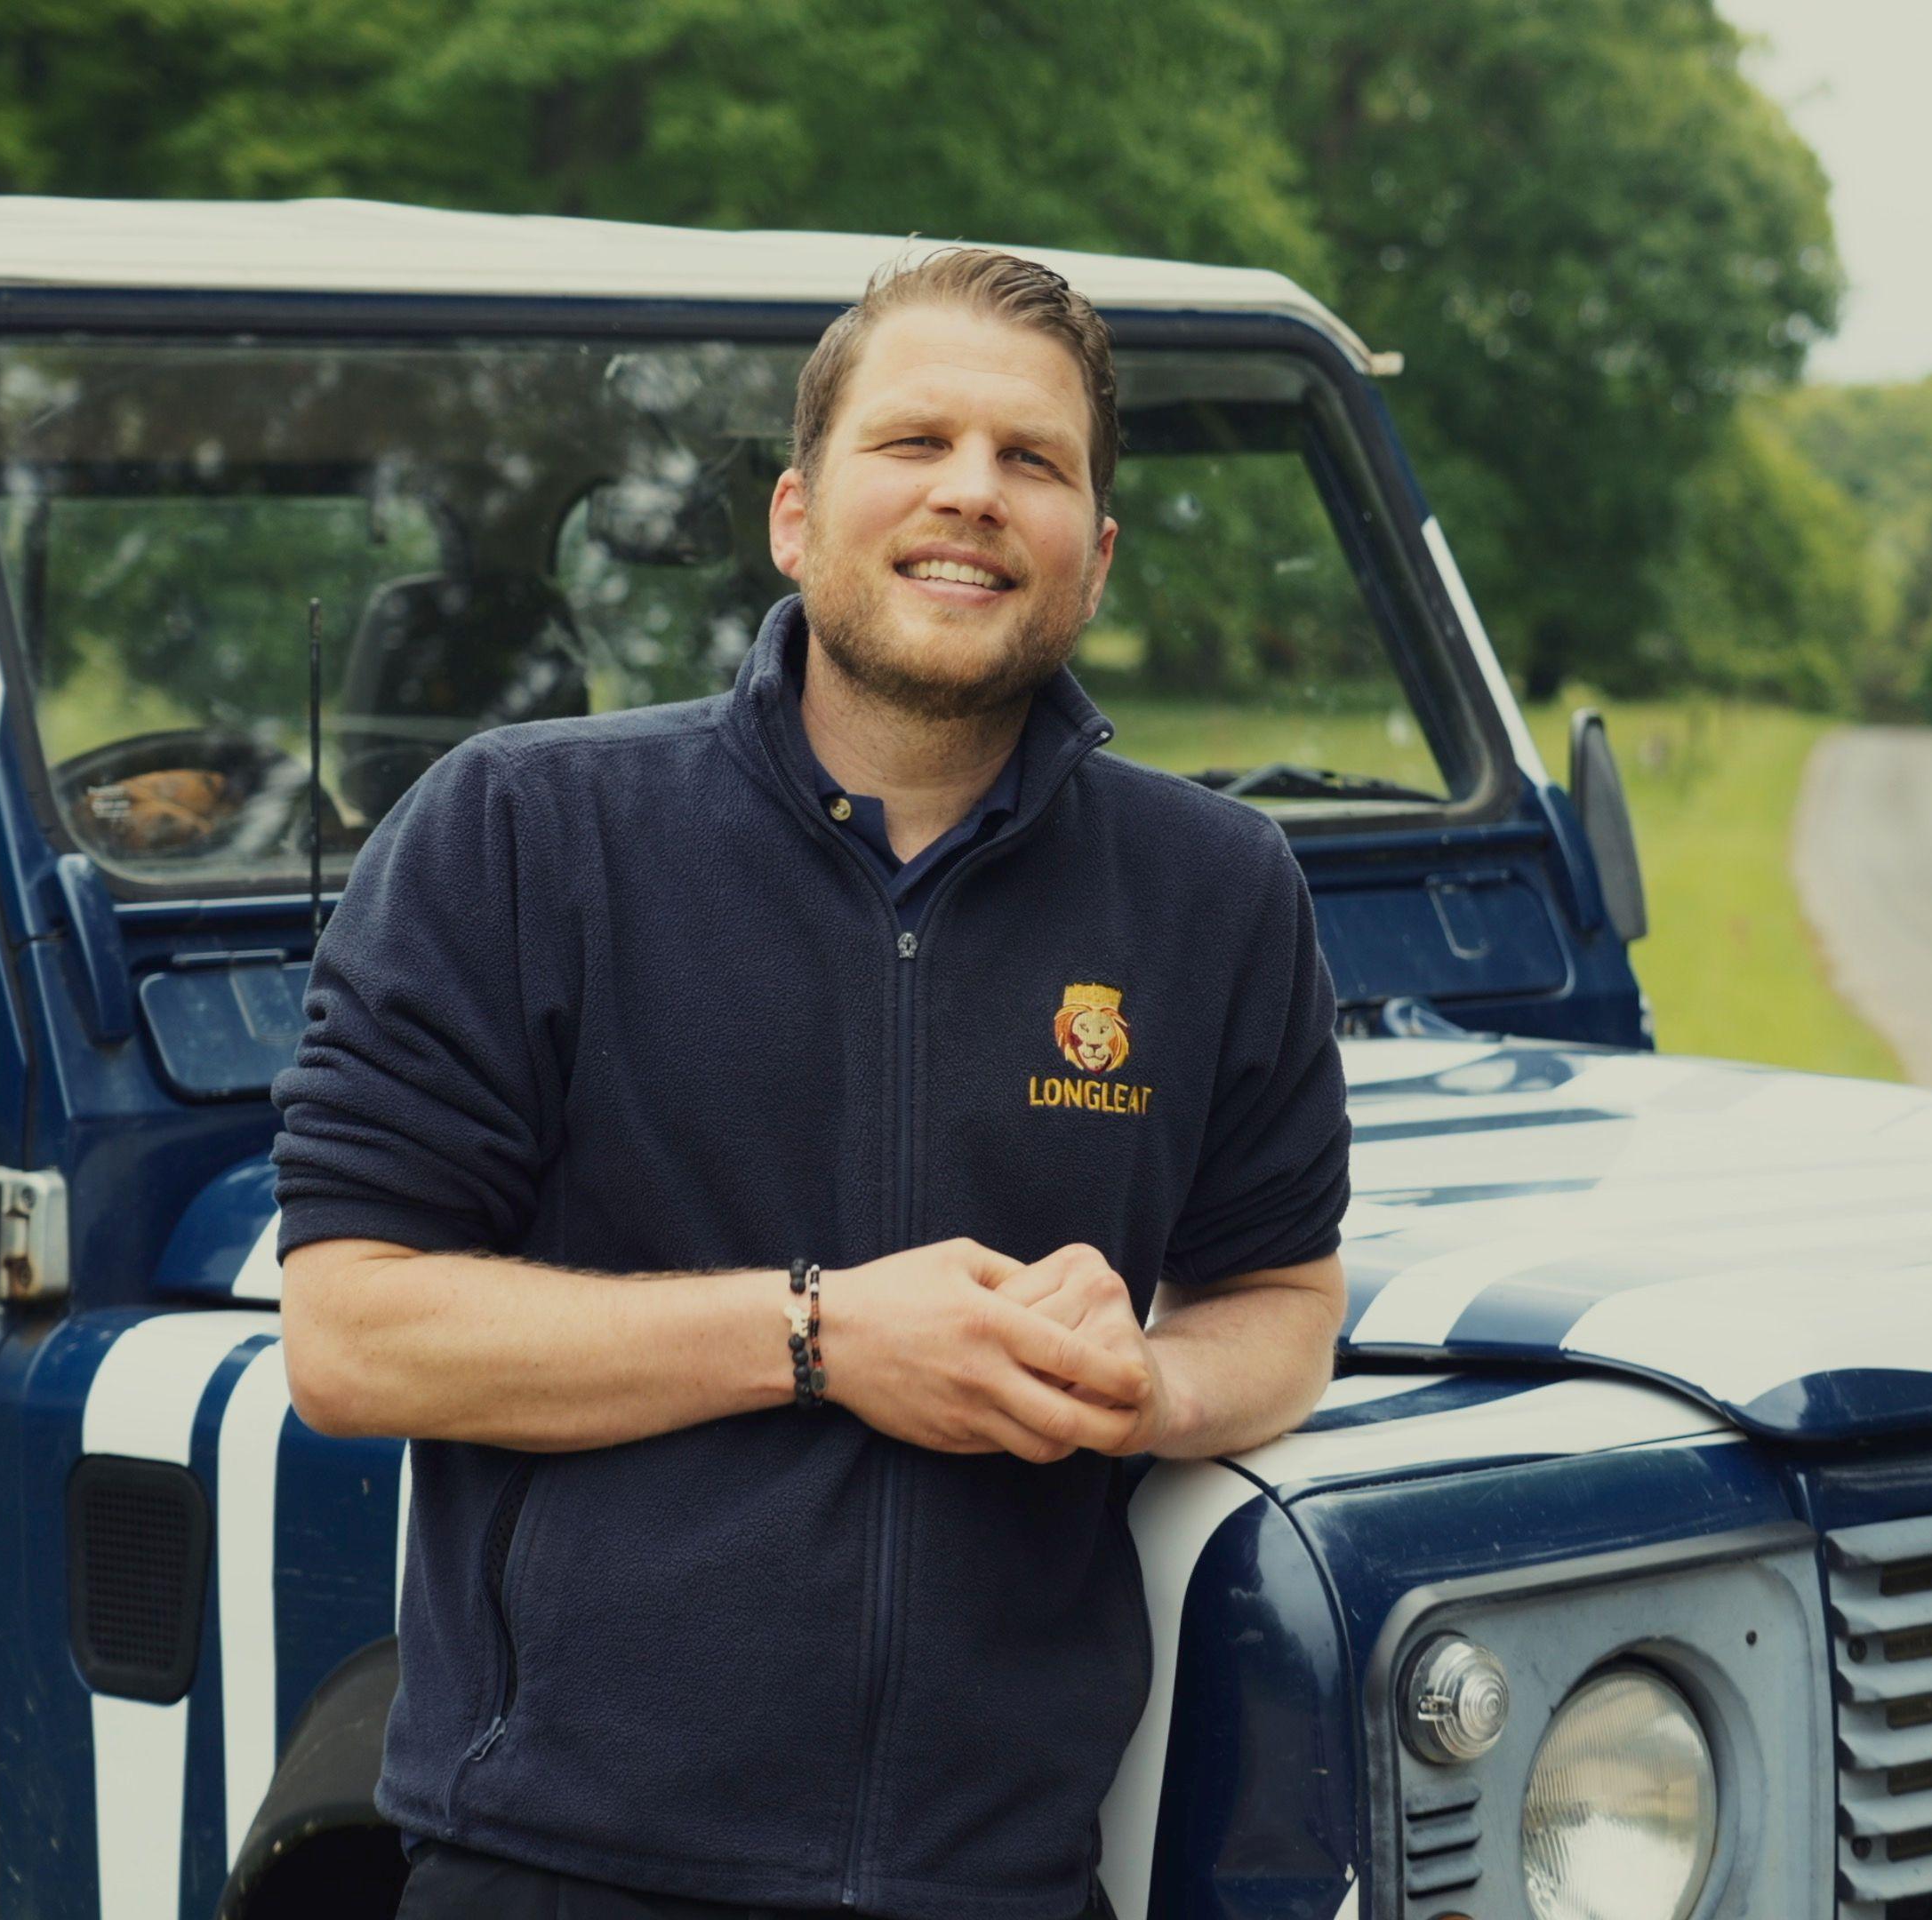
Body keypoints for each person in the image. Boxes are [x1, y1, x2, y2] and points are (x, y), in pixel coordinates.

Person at [269, 248, 1352, 1920]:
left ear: (1100, 555)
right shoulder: (521, 835)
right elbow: (350, 1335)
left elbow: (1280, 1294)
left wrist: (1153, 1390)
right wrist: (824, 1337)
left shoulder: (1217, 893)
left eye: (1034, 462)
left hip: (1002, 1882)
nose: (974, 495)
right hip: (560, 1868)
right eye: (915, 443)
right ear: (797, 516)